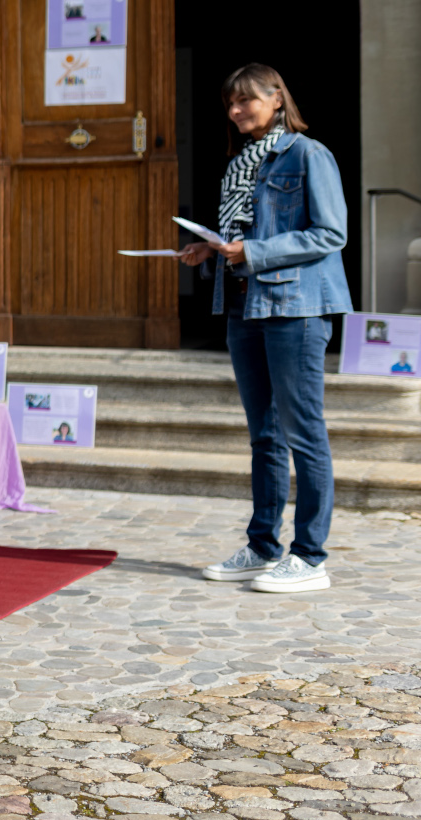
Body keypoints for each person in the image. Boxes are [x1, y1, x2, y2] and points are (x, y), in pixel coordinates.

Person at [180, 64, 346, 595]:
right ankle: (263, 547)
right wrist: (213, 248)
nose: (235, 111)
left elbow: (330, 232)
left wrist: (253, 251)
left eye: (245, 100)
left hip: (296, 306)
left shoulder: (307, 154)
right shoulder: (239, 163)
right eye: (229, 103)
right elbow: (247, 231)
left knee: (304, 432)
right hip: (244, 306)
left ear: (277, 98)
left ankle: (310, 556)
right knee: (265, 435)